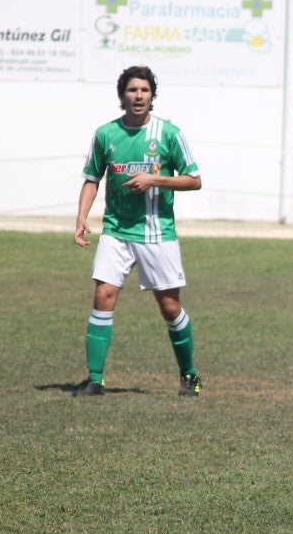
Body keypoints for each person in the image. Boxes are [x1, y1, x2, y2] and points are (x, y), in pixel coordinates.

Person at [73, 65, 204, 398]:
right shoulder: (105, 134)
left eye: (144, 90)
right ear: (122, 96)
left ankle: (189, 375)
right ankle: (95, 379)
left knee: (170, 307)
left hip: (157, 233)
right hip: (116, 231)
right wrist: (81, 217)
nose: (138, 96)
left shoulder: (169, 134)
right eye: (132, 90)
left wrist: (155, 179)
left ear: (152, 96)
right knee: (103, 296)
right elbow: (92, 178)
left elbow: (194, 180)